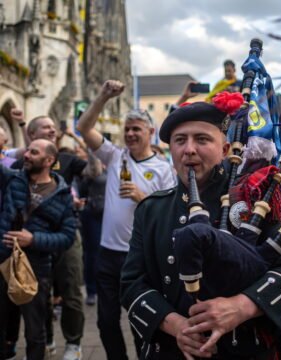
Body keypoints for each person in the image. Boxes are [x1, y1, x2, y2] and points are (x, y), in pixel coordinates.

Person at [120, 100, 281, 359]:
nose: (189, 150)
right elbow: (132, 283)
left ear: (224, 149)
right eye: (180, 140)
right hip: (171, 350)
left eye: (202, 139)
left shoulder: (257, 200)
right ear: (170, 149)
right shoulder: (152, 210)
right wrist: (177, 326)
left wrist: (243, 306)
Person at [76, 80, 177, 360]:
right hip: (108, 254)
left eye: (136, 129)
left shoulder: (163, 168)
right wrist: (103, 96)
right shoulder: (116, 155)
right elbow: (83, 128)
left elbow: (168, 212)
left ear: (150, 132)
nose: (130, 134)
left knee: (140, 320)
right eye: (127, 129)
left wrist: (142, 196)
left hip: (140, 257)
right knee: (106, 323)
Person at [10, 111, 101, 360]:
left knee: (70, 289)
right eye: (46, 127)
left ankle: (73, 343)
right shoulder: (20, 167)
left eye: (54, 127)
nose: (53, 130)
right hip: (32, 240)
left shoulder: (68, 158)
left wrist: (80, 138)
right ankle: (46, 337)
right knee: (40, 295)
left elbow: (95, 170)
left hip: (64, 231)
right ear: (31, 136)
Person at [0, 139, 76, 360]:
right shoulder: (12, 179)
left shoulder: (62, 195)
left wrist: (33, 239)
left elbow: (67, 237)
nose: (26, 155)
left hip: (36, 269)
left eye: (33, 152)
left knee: (35, 331)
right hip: (3, 261)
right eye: (27, 150)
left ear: (49, 160)